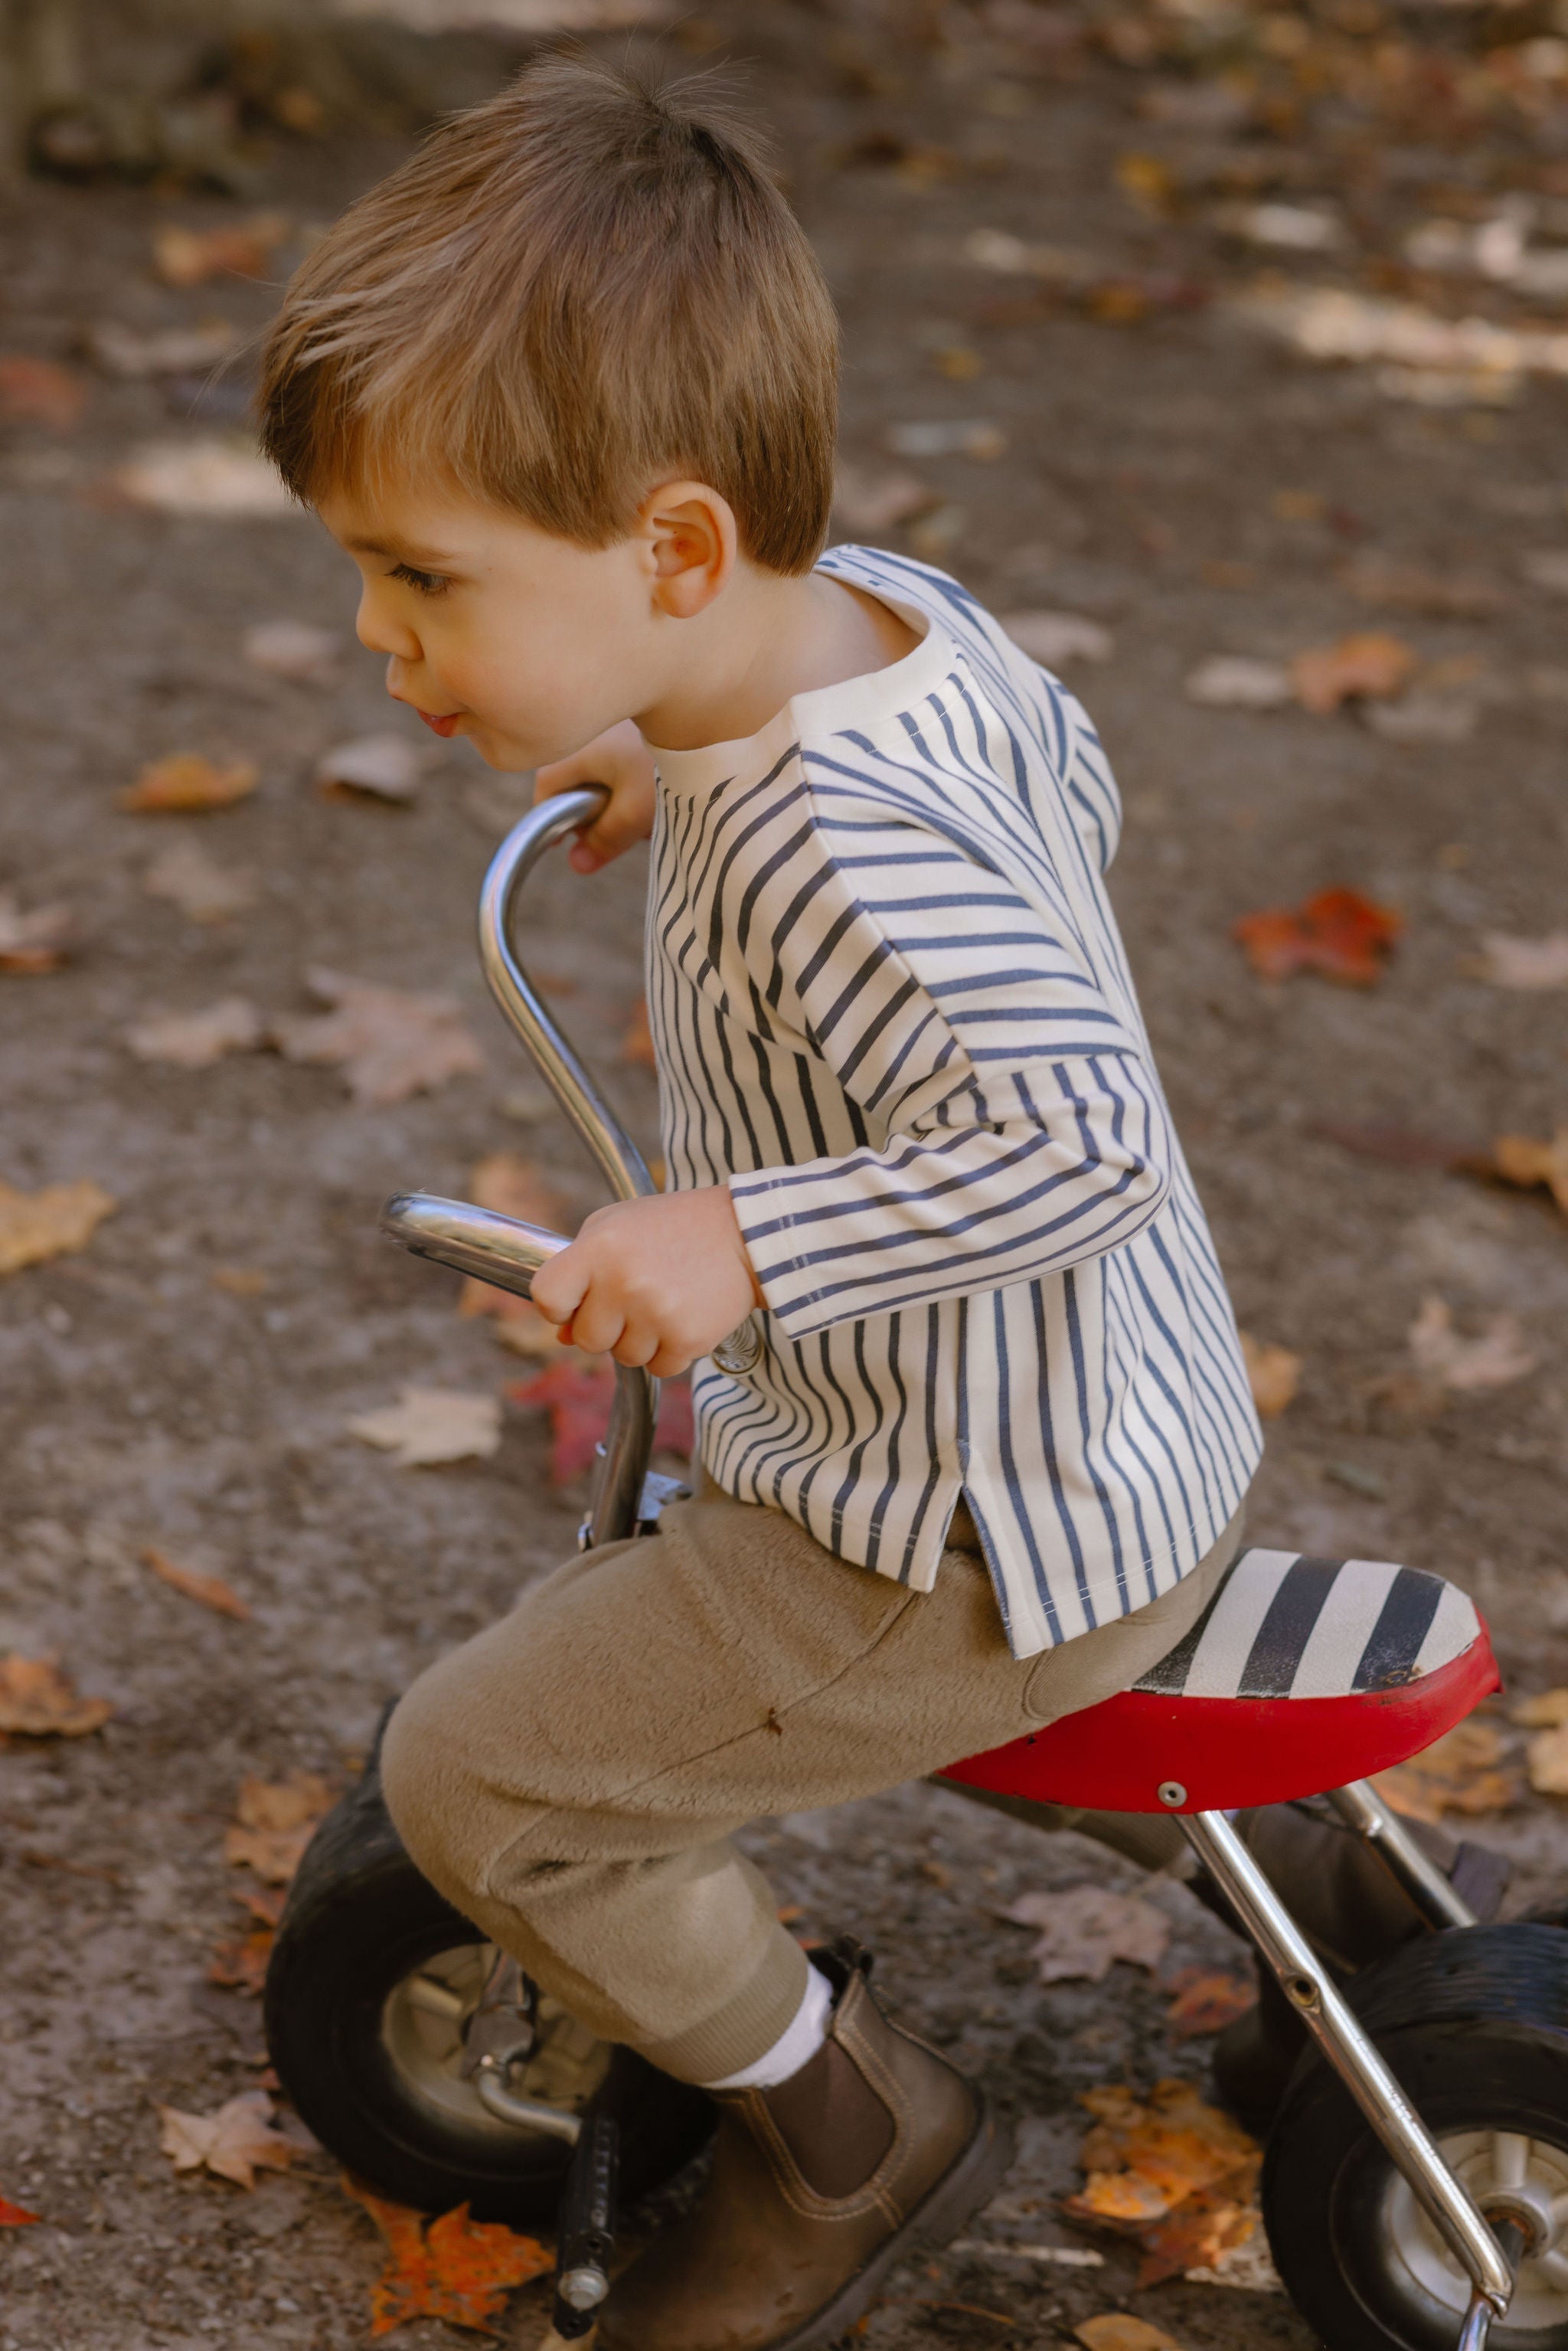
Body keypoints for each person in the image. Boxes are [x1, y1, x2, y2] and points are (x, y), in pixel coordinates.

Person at [256, 53, 1508, 2350]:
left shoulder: (849, 849)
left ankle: (846, 2138)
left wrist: (747, 1239)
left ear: (674, 553)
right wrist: (664, 740)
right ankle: (1311, 1882)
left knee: (482, 1773)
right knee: (709, 1683)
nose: (381, 636)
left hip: (936, 1528)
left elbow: (1086, 1133)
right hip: (1118, 1442)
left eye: (422, 576)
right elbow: (1067, 793)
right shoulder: (885, 620)